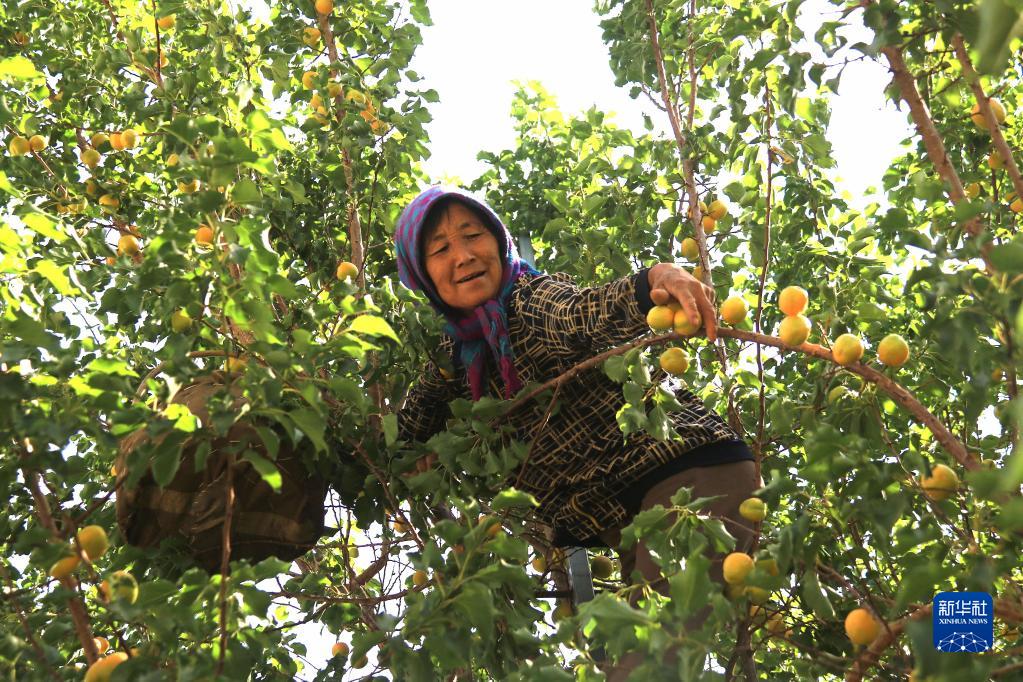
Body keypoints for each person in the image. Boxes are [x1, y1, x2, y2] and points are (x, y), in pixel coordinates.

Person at [394, 186, 760, 678]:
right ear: (421, 274)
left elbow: (582, 313)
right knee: (642, 659)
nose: (463, 256)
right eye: (440, 249)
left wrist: (655, 279)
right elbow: (408, 428)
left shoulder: (528, 299)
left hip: (690, 482)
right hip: (634, 515)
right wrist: (409, 445)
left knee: (649, 665)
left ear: (498, 241)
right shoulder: (456, 354)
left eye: (472, 235)